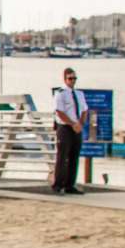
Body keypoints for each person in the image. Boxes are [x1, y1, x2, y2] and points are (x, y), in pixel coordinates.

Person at [50, 66, 87, 194]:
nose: (73, 81)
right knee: (62, 156)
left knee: (74, 156)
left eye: (74, 78)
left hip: (76, 127)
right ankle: (58, 185)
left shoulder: (80, 94)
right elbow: (59, 112)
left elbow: (84, 110)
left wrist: (80, 124)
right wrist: (72, 123)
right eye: (70, 78)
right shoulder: (60, 93)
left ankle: (70, 185)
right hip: (65, 127)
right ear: (65, 79)